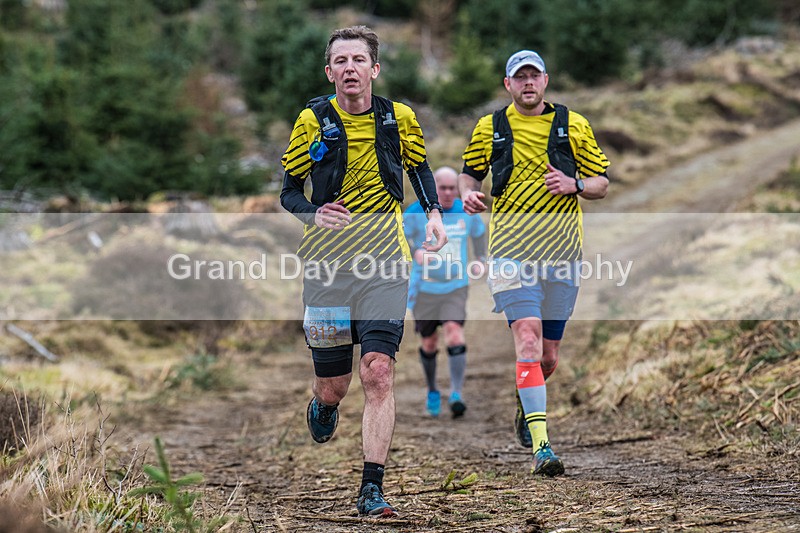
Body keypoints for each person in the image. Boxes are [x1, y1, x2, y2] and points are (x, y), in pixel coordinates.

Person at [280, 26, 446, 517]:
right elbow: (288, 191)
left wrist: (433, 213)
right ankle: (323, 405)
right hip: (327, 269)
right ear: (328, 72)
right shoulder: (312, 121)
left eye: (358, 60)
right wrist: (315, 212)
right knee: (335, 384)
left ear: (374, 69)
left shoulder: (399, 118)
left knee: (378, 372)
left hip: (386, 265)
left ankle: (371, 488)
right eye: (340, 61)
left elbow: (419, 169)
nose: (349, 68)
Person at [458, 50, 610, 477]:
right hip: (509, 253)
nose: (527, 83)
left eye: (534, 75)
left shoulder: (573, 124)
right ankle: (543, 448)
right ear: (508, 84)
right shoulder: (490, 127)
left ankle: (526, 401)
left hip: (562, 255)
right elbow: (470, 174)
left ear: (546, 80)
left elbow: (601, 184)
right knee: (527, 339)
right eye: (519, 76)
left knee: (546, 357)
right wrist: (469, 194)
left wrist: (574, 183)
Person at [404, 166, 486, 419]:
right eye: (443, 188)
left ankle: (456, 394)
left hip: (455, 287)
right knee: (429, 343)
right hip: (424, 289)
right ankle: (432, 390)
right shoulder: (414, 213)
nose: (449, 193)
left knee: (454, 334)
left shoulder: (465, 211)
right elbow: (400, 239)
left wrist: (480, 259)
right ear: (434, 188)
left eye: (453, 188)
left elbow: (479, 235)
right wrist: (415, 252)